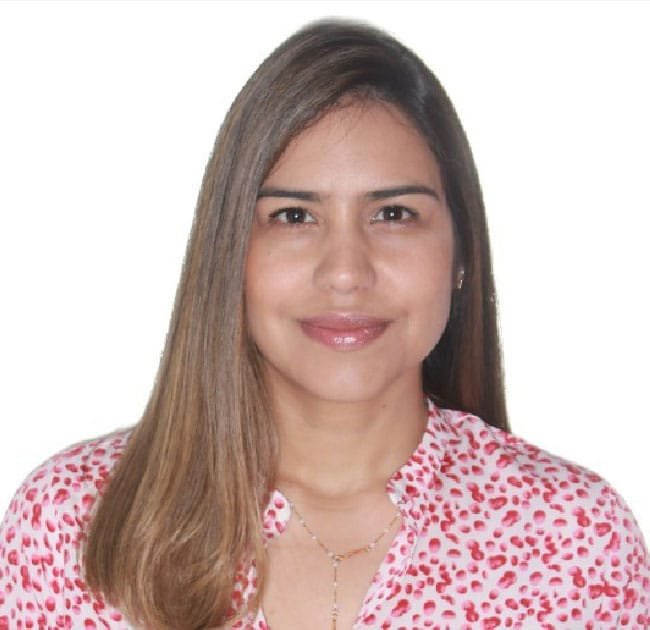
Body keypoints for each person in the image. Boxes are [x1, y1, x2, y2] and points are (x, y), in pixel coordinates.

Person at [1, 18, 648, 630]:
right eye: (294, 216)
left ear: (461, 255)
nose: (345, 272)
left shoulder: (574, 537)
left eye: (393, 214)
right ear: (230, 253)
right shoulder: (74, 523)